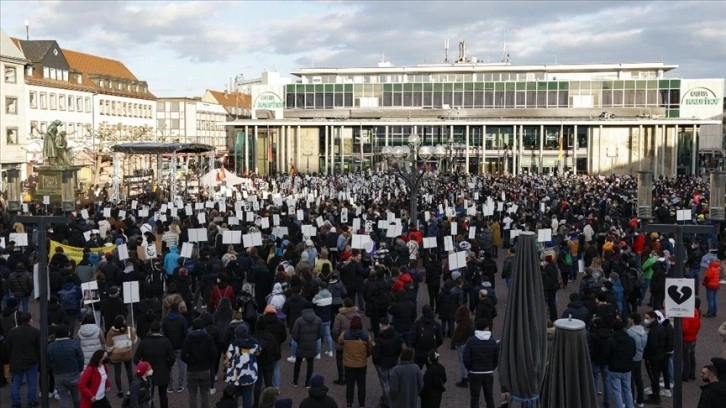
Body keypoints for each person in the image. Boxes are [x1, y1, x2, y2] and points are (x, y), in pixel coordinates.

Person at [134, 321, 176, 408]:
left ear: (150, 329)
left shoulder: (144, 342)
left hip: (148, 373)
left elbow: (136, 359)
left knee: (148, 396)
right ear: (160, 330)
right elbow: (172, 358)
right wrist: (168, 365)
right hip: (163, 371)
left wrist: (143, 367)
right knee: (163, 395)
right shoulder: (166, 341)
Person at [181, 318, 218, 408]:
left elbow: (183, 355)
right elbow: (214, 354)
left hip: (192, 370)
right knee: (204, 395)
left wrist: (189, 361)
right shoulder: (208, 337)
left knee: (192, 395)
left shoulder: (188, 338)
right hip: (205, 369)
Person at [463, 318, 499, 408]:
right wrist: (491, 367)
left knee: (475, 399)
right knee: (489, 398)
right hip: (488, 373)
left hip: (475, 373)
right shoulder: (492, 341)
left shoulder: (471, 341)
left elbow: (465, 358)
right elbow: (496, 358)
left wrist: (470, 368)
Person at [338, 315, 372, 408]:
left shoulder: (345, 334)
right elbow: (370, 348)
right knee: (361, 385)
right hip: (361, 364)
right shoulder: (366, 336)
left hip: (349, 364)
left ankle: (349, 403)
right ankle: (362, 404)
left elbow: (339, 341)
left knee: (350, 385)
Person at [7, 312, 40, 408]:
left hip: (16, 361)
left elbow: (8, 347)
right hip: (31, 361)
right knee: (32, 382)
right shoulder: (36, 332)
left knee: (16, 382)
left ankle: (16, 402)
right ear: (30, 320)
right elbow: (38, 348)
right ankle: (31, 401)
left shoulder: (13, 332)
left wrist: (10, 358)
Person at [47, 324, 84, 408]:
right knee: (76, 395)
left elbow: (48, 363)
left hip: (58, 375)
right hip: (73, 374)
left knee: (63, 397)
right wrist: (79, 369)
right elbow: (81, 358)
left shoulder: (50, 346)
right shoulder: (74, 344)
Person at [224, 323, 260, 408]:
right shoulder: (254, 343)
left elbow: (226, 360)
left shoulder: (233, 345)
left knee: (233, 396)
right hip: (250, 374)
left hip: (236, 376)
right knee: (247, 396)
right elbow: (258, 353)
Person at [290, 302, 323, 388]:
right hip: (312, 344)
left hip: (301, 344)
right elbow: (320, 333)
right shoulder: (318, 320)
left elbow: (294, 334)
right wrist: (314, 339)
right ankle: (307, 383)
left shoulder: (299, 320)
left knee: (298, 362)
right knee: (310, 363)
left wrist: (299, 340)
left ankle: (295, 381)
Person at [372, 317, 402, 408]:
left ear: (380, 325)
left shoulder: (379, 338)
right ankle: (393, 398)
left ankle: (388, 402)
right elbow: (399, 349)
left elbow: (376, 355)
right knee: (392, 382)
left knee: (384, 383)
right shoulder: (396, 335)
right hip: (393, 362)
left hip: (382, 364)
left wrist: (375, 361)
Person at [106, 315, 138, 398]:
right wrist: (134, 332)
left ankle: (120, 390)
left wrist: (110, 353)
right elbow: (134, 340)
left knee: (117, 373)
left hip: (116, 355)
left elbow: (108, 346)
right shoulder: (128, 329)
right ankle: (131, 389)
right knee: (129, 371)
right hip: (127, 353)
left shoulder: (111, 332)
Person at [606, 320, 636, 408]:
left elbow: (607, 354)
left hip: (614, 368)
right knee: (627, 389)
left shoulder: (610, 340)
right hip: (627, 368)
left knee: (617, 391)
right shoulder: (630, 339)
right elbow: (633, 353)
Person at [161, 301, 188, 393]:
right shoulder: (182, 319)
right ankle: (180, 385)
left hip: (169, 346)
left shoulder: (165, 319)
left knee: (168, 367)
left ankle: (170, 386)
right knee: (181, 366)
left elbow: (163, 333)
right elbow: (185, 333)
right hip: (180, 345)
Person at [332, 297, 360, 385]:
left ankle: (341, 378)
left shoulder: (339, 316)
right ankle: (350, 377)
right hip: (353, 341)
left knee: (340, 360)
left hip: (342, 341)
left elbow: (335, 330)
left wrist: (336, 339)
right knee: (351, 360)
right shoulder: (357, 316)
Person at [643, 310, 665, 405]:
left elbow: (652, 346)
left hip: (653, 358)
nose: (646, 320)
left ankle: (656, 397)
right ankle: (655, 394)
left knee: (654, 378)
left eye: (647, 318)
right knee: (655, 377)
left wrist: (647, 357)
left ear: (653, 318)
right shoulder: (659, 327)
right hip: (659, 357)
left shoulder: (653, 331)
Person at [411, 304, 443, 369]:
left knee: (417, 370)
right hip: (433, 352)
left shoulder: (417, 323)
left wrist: (416, 346)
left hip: (419, 351)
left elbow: (413, 339)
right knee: (433, 371)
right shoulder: (436, 324)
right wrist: (435, 346)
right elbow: (440, 340)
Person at [627, 312, 648, 407]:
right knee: (638, 379)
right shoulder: (644, 332)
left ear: (632, 320)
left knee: (630, 380)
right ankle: (640, 400)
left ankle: (630, 400)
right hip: (639, 357)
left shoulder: (630, 333)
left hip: (631, 358)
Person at [452, 305, 474, 388]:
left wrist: (453, 344)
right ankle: (469, 375)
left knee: (462, 362)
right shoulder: (471, 322)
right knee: (469, 360)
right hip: (469, 344)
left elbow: (456, 336)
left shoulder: (460, 325)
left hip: (462, 344)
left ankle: (464, 379)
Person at [683, 297, 702, 382]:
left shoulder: (687, 316)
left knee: (686, 358)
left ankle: (685, 375)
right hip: (693, 338)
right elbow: (698, 326)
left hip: (686, 339)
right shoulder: (697, 314)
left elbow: (685, 329)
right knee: (692, 357)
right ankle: (692, 374)